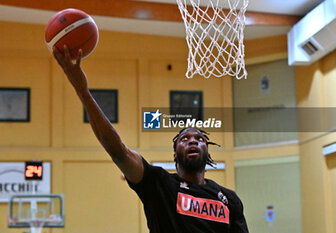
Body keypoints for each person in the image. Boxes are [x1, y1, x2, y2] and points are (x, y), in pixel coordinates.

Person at [53, 45, 249, 233]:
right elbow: (119, 152)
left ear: (207, 151)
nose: (193, 140)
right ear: (174, 155)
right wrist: (83, 92)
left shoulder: (229, 200)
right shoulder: (160, 184)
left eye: (199, 138)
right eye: (184, 138)